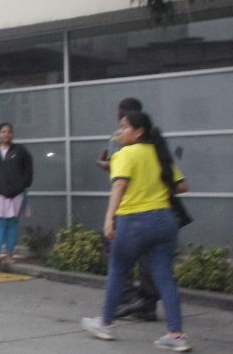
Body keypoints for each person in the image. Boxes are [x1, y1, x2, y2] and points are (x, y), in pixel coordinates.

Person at [81, 111, 190, 352]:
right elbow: (182, 186)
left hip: (133, 221)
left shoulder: (124, 154)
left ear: (138, 131)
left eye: (123, 127)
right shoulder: (160, 154)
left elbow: (120, 185)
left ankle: (106, 323)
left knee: (118, 270)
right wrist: (154, 190)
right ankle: (176, 335)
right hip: (164, 221)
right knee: (164, 277)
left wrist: (109, 218)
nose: (119, 132)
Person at [97, 97, 159, 321]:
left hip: (129, 205)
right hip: (156, 207)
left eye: (120, 115)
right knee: (149, 255)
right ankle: (148, 302)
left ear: (124, 116)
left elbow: (118, 175)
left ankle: (125, 297)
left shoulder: (118, 137)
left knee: (116, 250)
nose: (118, 120)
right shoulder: (155, 140)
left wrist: (102, 164)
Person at [0, 122, 33, 266]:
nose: (6, 134)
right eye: (3, 131)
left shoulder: (20, 151)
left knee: (12, 223)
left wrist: (23, 185)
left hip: (16, 193)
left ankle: (9, 254)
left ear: (12, 134)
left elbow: (28, 170)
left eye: (9, 131)